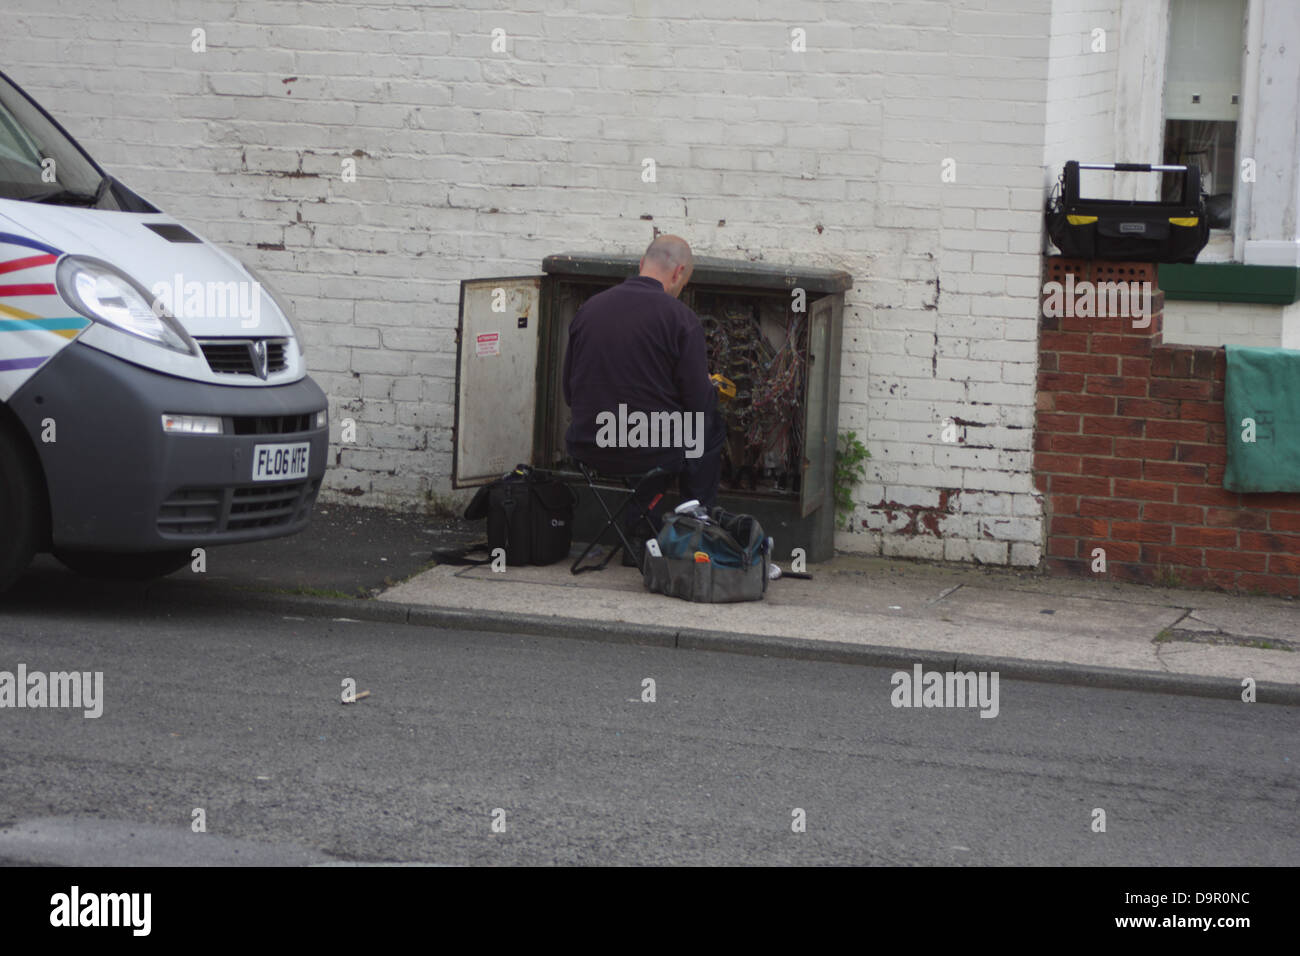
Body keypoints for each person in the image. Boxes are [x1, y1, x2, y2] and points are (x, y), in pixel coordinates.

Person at [562, 235, 725, 556]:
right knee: (708, 427)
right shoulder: (680, 318)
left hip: (588, 445)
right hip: (647, 451)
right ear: (679, 273)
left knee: (658, 432)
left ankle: (642, 530)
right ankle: (692, 532)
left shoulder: (589, 309)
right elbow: (698, 405)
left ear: (641, 265)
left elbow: (569, 391)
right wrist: (706, 386)